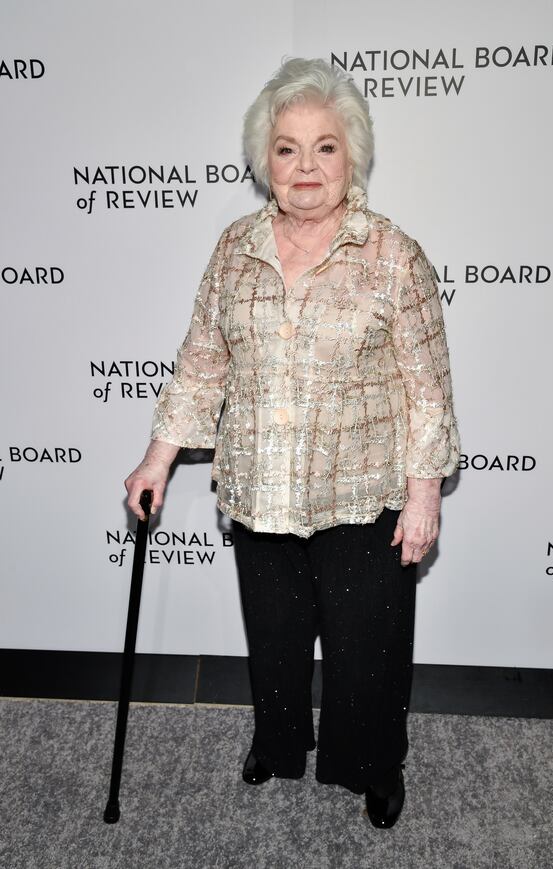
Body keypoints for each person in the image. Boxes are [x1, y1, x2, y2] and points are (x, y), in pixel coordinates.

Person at [125, 57, 460, 829]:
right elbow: (203, 364)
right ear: (263, 159)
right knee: (273, 640)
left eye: (325, 147)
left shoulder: (393, 255)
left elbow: (429, 389)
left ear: (354, 155)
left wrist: (422, 497)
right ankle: (277, 740)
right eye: (286, 147)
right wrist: (157, 458)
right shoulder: (234, 249)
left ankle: (373, 763)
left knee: (365, 650)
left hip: (362, 495)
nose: (305, 165)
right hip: (261, 491)